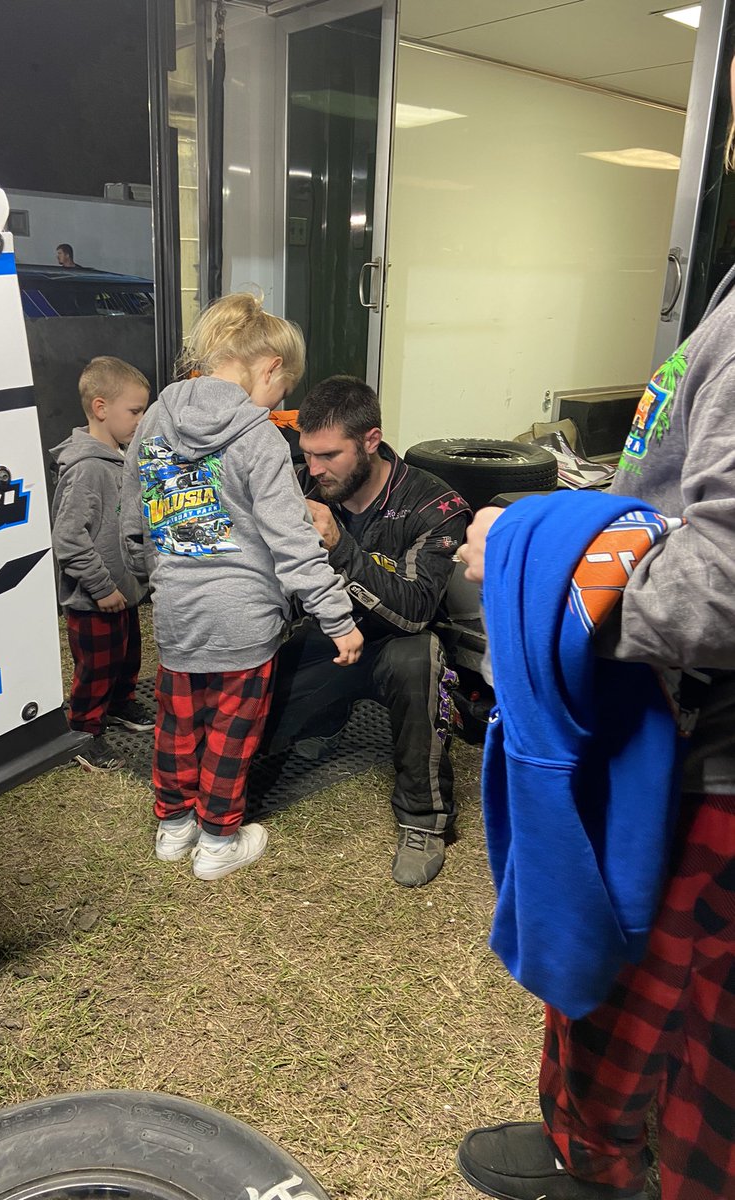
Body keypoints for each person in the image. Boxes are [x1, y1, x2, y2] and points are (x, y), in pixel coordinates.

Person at [453, 63, 735, 1193]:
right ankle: (582, 1138)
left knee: (670, 1021)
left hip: (713, 757)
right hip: (667, 725)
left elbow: (722, 583)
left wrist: (528, 554)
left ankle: (606, 1167)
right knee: (614, 980)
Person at [119, 294, 363, 881]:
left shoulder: (152, 421)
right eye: (283, 389)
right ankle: (217, 843)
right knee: (231, 733)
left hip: (177, 614)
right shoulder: (260, 437)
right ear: (269, 367)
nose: (277, 402)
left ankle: (173, 827)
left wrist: (157, 580)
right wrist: (338, 618)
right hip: (245, 621)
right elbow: (293, 541)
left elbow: (133, 524)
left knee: (177, 725)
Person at [262, 376, 471, 887]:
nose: (314, 468)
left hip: (397, 643)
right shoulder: (300, 485)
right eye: (307, 454)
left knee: (419, 657)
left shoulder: (435, 505)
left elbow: (417, 610)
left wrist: (339, 546)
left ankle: (423, 820)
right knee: (257, 721)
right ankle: (325, 719)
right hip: (328, 639)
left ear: (371, 440)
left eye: (329, 455)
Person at [51, 356, 152, 770]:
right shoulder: (87, 469)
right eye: (135, 411)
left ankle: (120, 704)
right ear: (101, 408)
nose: (141, 420)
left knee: (126, 658)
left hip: (123, 593)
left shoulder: (121, 456)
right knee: (96, 668)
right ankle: (84, 731)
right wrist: (101, 587)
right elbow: (68, 538)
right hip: (96, 600)